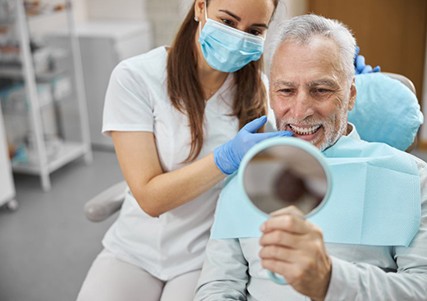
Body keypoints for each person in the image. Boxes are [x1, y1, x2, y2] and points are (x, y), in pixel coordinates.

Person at [194, 14, 427, 301]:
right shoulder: (242, 179)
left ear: (351, 94)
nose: (301, 109)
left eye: (321, 90)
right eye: (286, 90)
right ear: (271, 95)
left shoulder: (413, 180)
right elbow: (217, 287)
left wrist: (330, 281)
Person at [76, 1, 294, 300]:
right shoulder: (136, 77)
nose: (239, 37)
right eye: (228, 22)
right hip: (133, 249)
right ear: (200, 8)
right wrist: (226, 158)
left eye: (254, 30)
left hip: (204, 255)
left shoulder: (260, 91)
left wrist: (350, 87)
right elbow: (150, 198)